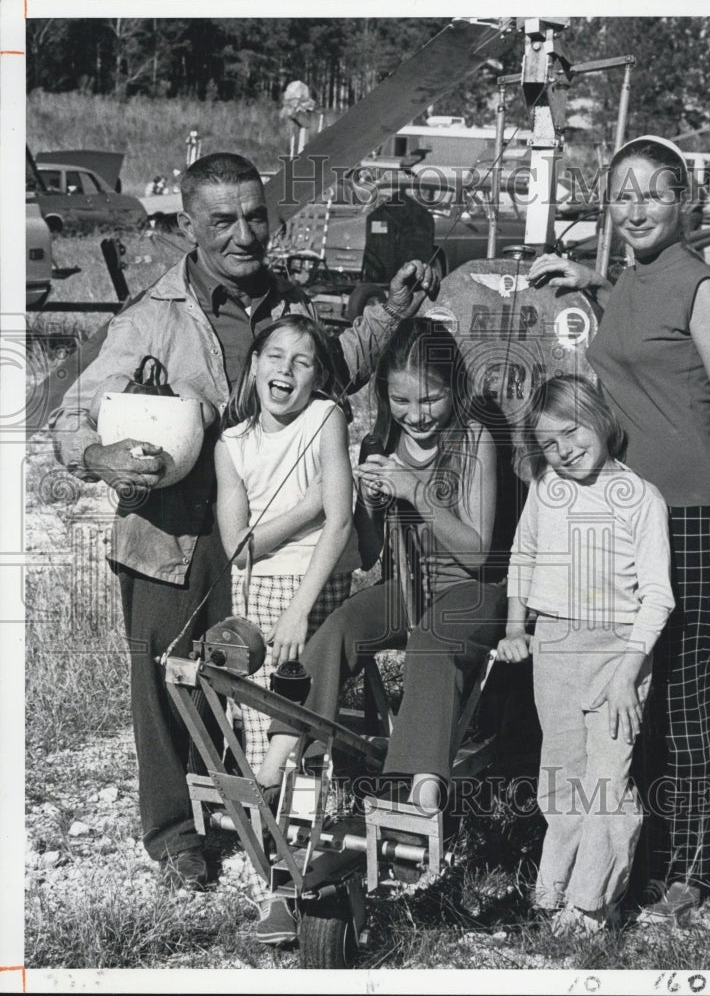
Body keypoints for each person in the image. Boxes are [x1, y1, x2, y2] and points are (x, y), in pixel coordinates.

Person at [48, 152, 436, 892]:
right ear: (189, 224)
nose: (243, 233)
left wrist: (388, 307)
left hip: (266, 541)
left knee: (251, 678)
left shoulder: (288, 303)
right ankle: (175, 835)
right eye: (222, 220)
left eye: (255, 215)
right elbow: (74, 416)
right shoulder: (150, 319)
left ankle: (248, 806)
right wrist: (100, 457)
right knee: (167, 687)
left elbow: (336, 365)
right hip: (168, 539)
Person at [526, 135, 710, 922]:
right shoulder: (628, 279)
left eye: (652, 194)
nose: (634, 209)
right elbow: (626, 346)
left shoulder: (703, 289)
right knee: (637, 689)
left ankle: (704, 862)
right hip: (624, 513)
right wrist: (589, 283)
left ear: (683, 201)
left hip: (690, 512)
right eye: (621, 195)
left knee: (686, 690)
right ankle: (651, 846)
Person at [258, 316, 510, 814]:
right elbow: (370, 554)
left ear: (454, 388)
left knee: (434, 637)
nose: (416, 415)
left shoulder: (474, 438)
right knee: (338, 627)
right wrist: (370, 505)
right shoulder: (380, 444)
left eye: (430, 399)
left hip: (475, 591)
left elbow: (478, 550)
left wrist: (413, 489)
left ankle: (417, 788)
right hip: (410, 589)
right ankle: (285, 753)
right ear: (383, 397)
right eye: (401, 401)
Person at [497, 374, 674, 936]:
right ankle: (555, 890)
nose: (564, 450)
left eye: (571, 432)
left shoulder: (641, 499)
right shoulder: (547, 487)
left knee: (607, 782)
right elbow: (522, 555)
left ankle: (593, 906)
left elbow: (658, 597)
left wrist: (627, 677)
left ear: (599, 417)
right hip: (553, 644)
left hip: (617, 656)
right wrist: (514, 626)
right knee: (562, 774)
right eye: (549, 443)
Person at [215, 313, 361, 937]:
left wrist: (303, 605)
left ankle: (289, 874)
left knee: (294, 742)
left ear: (317, 378)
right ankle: (278, 875)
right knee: (259, 743)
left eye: (302, 363)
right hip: (253, 595)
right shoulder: (232, 444)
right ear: (254, 366)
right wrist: (308, 504)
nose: (286, 370)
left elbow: (343, 519)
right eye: (275, 356)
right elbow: (237, 549)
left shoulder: (324, 419)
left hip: (314, 587)